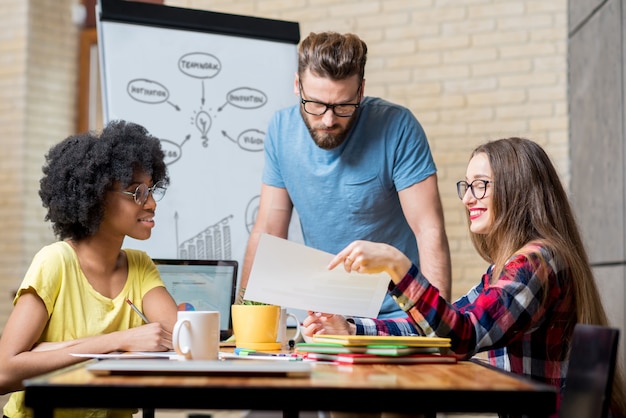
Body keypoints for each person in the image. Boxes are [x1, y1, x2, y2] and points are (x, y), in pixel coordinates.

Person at [302, 137, 626, 418]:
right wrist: (352, 328)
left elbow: (461, 337)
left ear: (517, 189)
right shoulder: (505, 268)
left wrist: (397, 266)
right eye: (467, 186)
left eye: (481, 185)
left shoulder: (537, 263)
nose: (468, 198)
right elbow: (440, 330)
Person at [239, 31, 451, 318]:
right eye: (315, 104)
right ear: (297, 86)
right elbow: (267, 230)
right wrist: (246, 320)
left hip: (398, 315)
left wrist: (438, 325)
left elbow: (429, 229)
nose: (328, 120)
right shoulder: (281, 131)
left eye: (343, 106)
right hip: (328, 316)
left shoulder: (398, 127)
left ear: (360, 91)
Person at [0, 120, 179, 418]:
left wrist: (50, 351)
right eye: (136, 192)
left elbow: (179, 344)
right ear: (96, 198)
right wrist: (119, 341)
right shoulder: (55, 261)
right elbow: (4, 372)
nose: (151, 204)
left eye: (151, 190)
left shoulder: (140, 265)